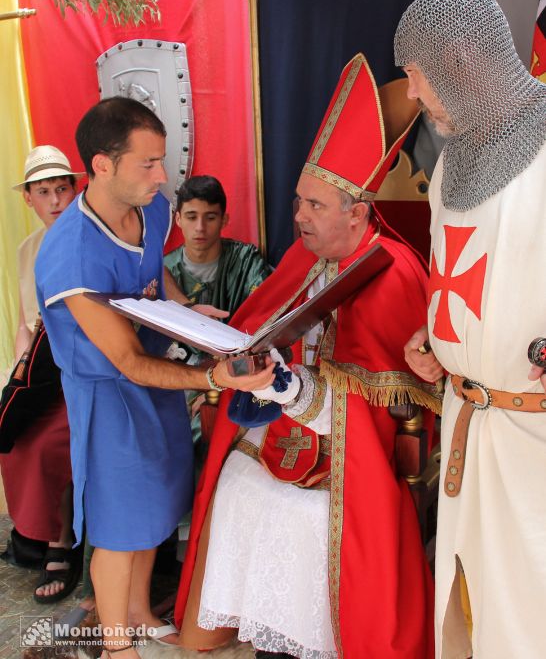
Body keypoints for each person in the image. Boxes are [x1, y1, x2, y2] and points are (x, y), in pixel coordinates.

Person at [174, 54, 441, 659]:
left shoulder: (395, 271)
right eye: (297, 200)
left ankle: (313, 640)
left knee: (300, 516)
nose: (297, 216)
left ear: (358, 211)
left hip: (359, 443)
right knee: (238, 481)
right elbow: (258, 324)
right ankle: (268, 630)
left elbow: (403, 399)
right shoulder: (305, 252)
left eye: (314, 206)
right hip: (289, 414)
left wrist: (298, 392)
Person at [34, 96, 275, 659]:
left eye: (161, 161)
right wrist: (213, 377)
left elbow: (153, 275)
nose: (162, 176)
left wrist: (188, 311)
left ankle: (140, 613)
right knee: (120, 528)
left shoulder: (152, 207)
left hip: (159, 377)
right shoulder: (70, 254)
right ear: (101, 166)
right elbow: (127, 361)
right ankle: (117, 647)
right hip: (109, 393)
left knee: (154, 508)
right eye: (147, 164)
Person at [394, 0, 546, 659]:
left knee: (528, 615)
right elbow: (459, 281)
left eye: (414, 76)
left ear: (457, 59)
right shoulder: (454, 164)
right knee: (468, 608)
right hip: (463, 426)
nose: (411, 97)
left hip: (532, 441)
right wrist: (435, 339)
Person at [0, 145, 82, 603]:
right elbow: (23, 321)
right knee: (12, 431)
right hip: (38, 371)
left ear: (75, 190)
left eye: (62, 188)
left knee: (50, 440)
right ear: (28, 199)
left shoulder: (89, 240)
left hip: (79, 371)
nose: (55, 200)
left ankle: (59, 540)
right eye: (44, 191)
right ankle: (33, 532)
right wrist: (17, 368)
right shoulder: (26, 249)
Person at [164, 174, 272, 322]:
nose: (200, 228)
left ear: (224, 220)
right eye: (191, 217)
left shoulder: (246, 262)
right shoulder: (165, 271)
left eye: (210, 218)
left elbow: (265, 315)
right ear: (178, 219)